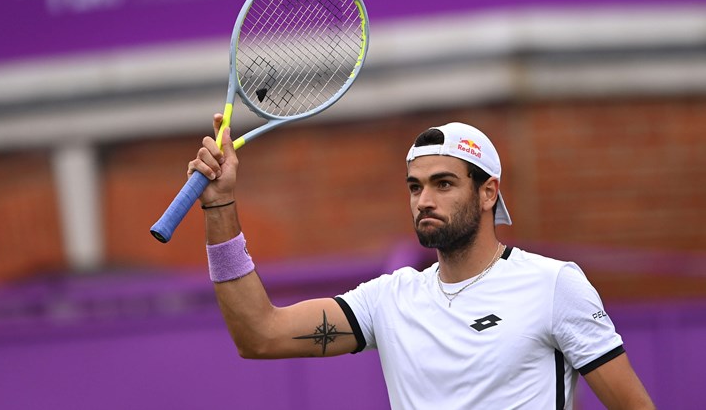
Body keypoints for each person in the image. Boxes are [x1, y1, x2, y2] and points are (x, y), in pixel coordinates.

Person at [188, 114, 655, 409]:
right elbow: (260, 335)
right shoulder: (389, 298)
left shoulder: (554, 284)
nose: (424, 200)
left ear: (488, 191)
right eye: (415, 186)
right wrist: (220, 205)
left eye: (443, 183)